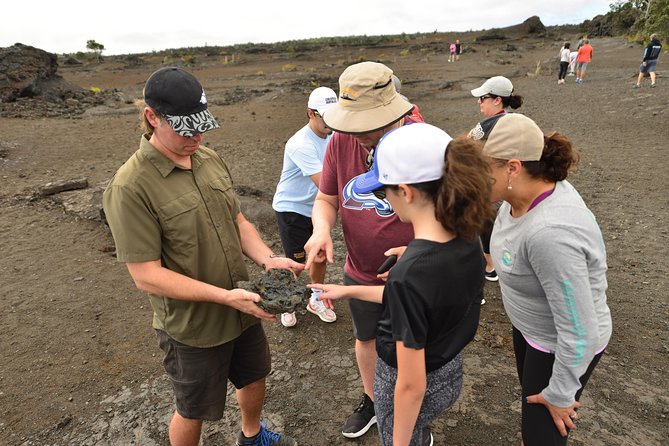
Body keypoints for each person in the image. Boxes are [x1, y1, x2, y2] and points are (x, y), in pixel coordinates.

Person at [102, 67, 302, 446]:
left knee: (254, 374)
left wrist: (267, 259)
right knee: (194, 407)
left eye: (201, 126)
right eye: (184, 128)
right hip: (193, 327)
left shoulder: (207, 157)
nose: (196, 136)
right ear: (151, 117)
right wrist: (224, 296)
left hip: (242, 305)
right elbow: (146, 275)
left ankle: (252, 435)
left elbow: (237, 218)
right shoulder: (130, 187)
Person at [309, 123, 494, 446]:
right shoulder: (467, 238)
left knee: (405, 434)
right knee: (421, 422)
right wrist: (348, 289)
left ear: (406, 192)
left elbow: (410, 386)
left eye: (383, 191)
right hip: (449, 373)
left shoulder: (411, 274)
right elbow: (420, 300)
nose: (385, 200)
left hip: (406, 384)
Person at [480, 113, 612, 446]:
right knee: (532, 419)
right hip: (533, 330)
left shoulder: (550, 233)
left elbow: (581, 332)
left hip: (561, 345)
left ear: (513, 167)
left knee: (542, 434)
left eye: (482, 169)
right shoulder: (519, 195)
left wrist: (561, 393)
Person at [304, 61, 417, 439]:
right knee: (366, 337)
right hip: (360, 267)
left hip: (415, 274)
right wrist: (321, 230)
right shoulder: (341, 140)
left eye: (368, 125)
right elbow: (326, 198)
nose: (360, 134)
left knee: (413, 345)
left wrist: (421, 251)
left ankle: (414, 412)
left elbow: (454, 213)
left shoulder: (424, 142)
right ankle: (372, 400)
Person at [272, 86, 339, 328]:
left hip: (318, 209)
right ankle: (285, 302)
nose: (330, 121)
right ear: (311, 113)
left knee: (319, 254)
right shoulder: (300, 144)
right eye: (325, 115)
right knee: (298, 262)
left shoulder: (334, 135)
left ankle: (316, 298)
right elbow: (327, 186)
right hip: (293, 209)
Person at [469, 76, 524, 286]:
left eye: (483, 98)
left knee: (485, 220)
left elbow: (466, 144)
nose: (479, 102)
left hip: (493, 183)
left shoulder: (489, 124)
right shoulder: (514, 120)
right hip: (514, 182)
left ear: (497, 100)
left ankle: (490, 265)